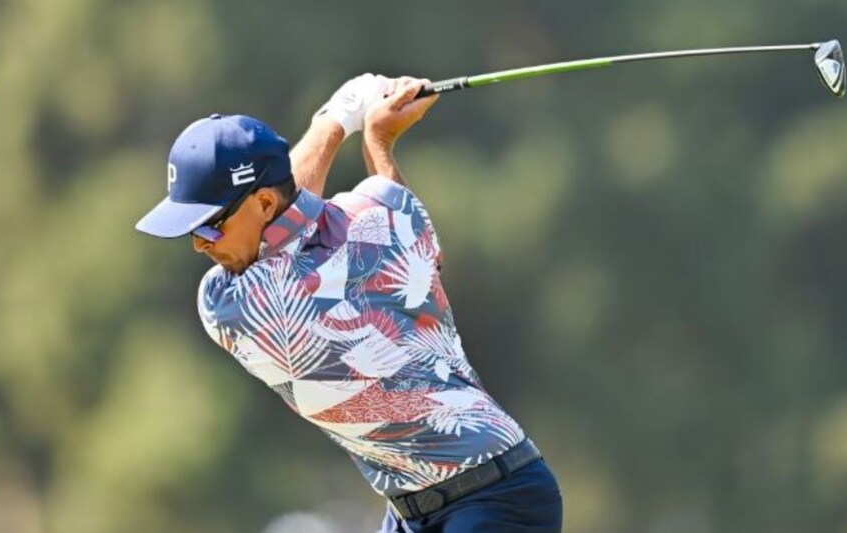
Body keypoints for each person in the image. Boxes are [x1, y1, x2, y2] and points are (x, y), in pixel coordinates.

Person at [135, 74, 563, 532]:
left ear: (263, 204)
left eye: (210, 226)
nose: (200, 244)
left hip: (498, 498)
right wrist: (376, 138)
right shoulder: (382, 209)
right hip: (413, 509)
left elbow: (293, 222)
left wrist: (338, 118)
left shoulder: (231, 304)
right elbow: (361, 215)